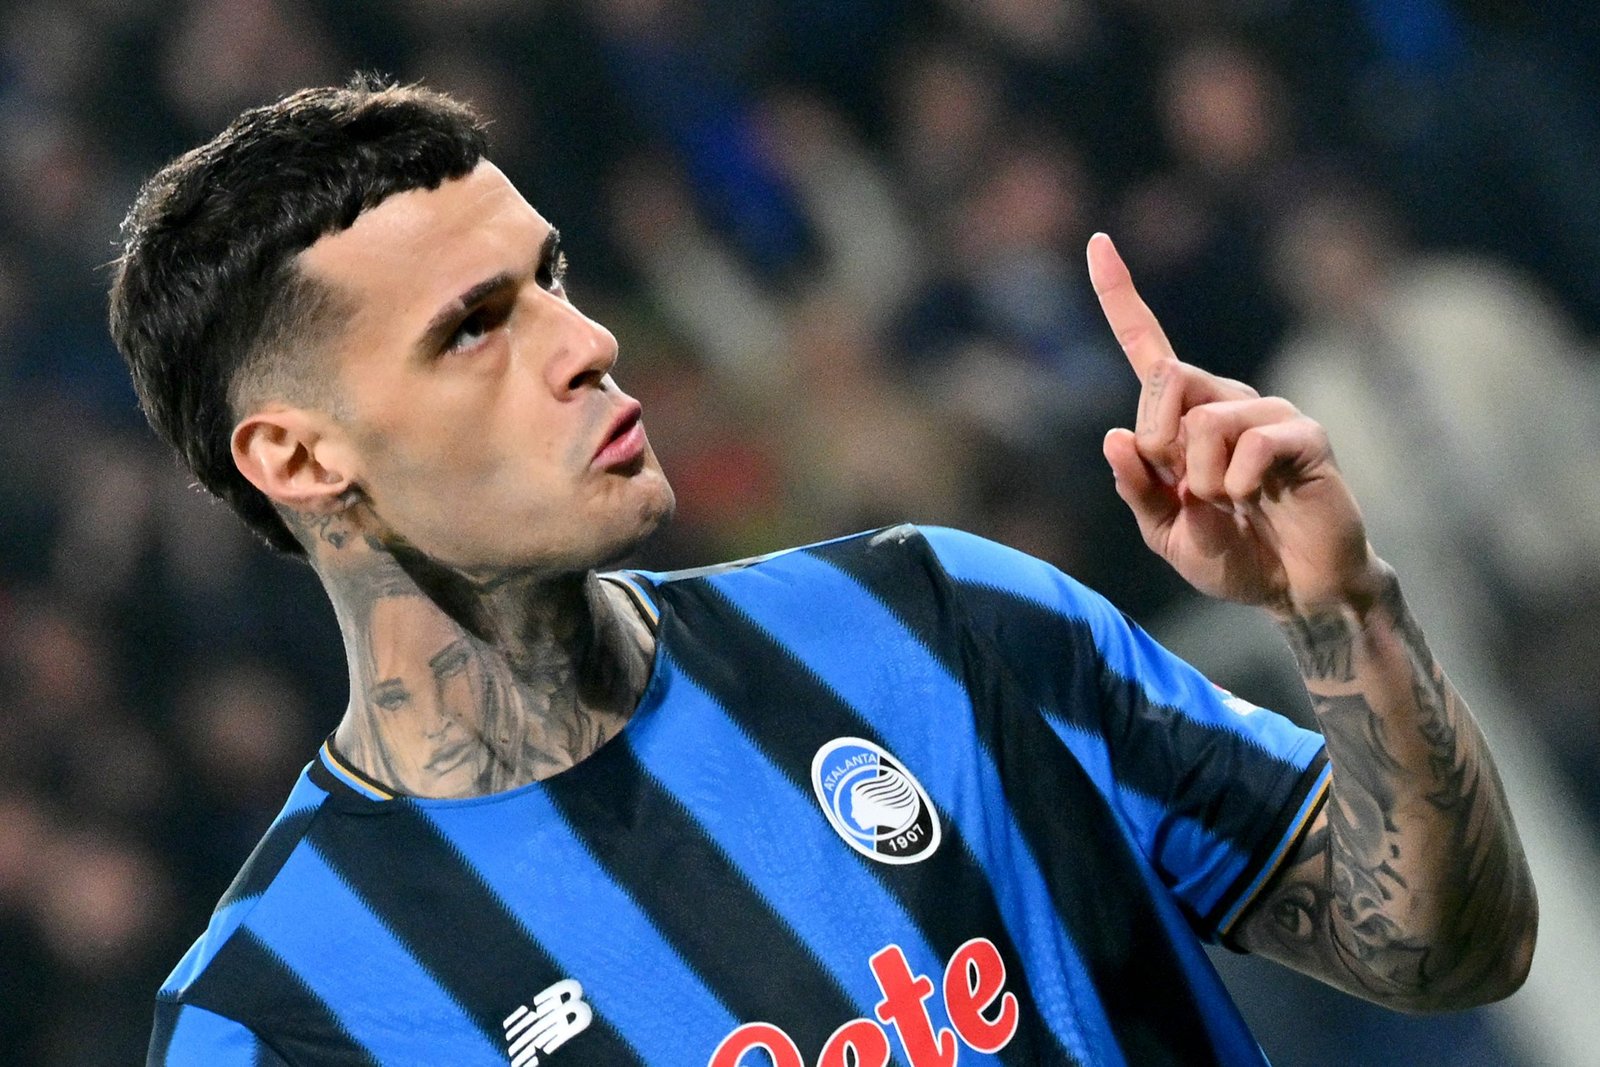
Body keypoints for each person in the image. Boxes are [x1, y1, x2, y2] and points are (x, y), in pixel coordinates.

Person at [110, 80, 1535, 1067]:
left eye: (554, 278)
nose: (586, 342)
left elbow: (1443, 949)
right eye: (476, 326)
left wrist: (1343, 613)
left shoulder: (934, 620)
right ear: (297, 458)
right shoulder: (278, 1018)